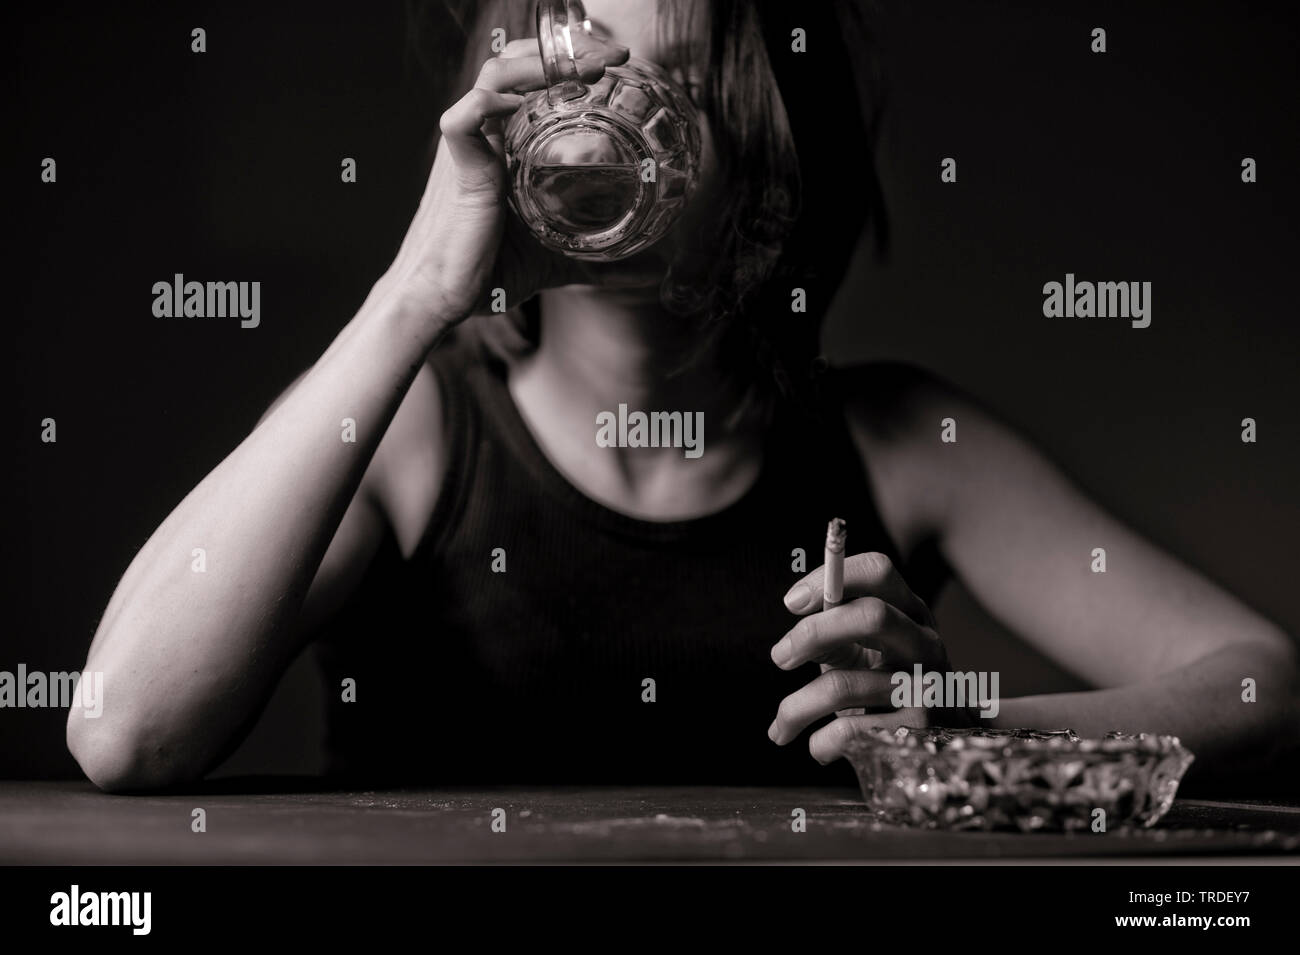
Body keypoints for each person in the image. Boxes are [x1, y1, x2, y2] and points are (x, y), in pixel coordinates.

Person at [67, 0, 1297, 791]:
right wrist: (413, 294)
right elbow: (122, 731)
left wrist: (964, 735)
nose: (595, 121)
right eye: (566, 64)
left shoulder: (896, 439)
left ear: (764, 149)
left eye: (668, 79)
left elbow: (1261, 681)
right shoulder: (413, 428)